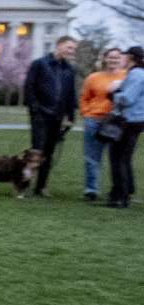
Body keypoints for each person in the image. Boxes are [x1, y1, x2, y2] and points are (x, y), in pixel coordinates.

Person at [23, 35, 78, 197]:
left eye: (73, 49)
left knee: (49, 152)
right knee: (36, 151)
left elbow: (70, 94)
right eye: (69, 47)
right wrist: (34, 109)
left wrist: (70, 116)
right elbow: (29, 87)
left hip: (57, 117)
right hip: (40, 115)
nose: (71, 51)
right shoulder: (40, 64)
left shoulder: (69, 69)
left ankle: (41, 187)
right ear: (59, 45)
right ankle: (24, 184)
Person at [79, 48, 126, 202]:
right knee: (92, 157)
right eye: (110, 57)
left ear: (121, 60)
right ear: (105, 59)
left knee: (117, 159)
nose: (113, 60)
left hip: (116, 122)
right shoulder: (93, 77)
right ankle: (91, 190)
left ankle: (117, 190)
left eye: (117, 58)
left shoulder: (127, 77)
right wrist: (86, 113)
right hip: (94, 120)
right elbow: (84, 97)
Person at [107, 46, 144, 208]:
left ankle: (120, 196)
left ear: (131, 58)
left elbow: (128, 98)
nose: (121, 59)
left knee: (118, 158)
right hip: (135, 121)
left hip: (128, 121)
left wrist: (113, 93)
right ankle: (126, 191)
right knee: (125, 158)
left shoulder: (137, 74)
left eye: (124, 56)